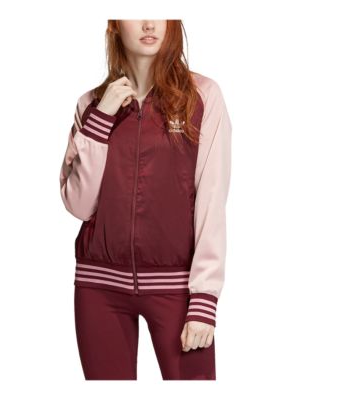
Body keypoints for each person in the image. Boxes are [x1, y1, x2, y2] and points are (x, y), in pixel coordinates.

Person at [59, 19, 232, 380]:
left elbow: (211, 201)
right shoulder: (91, 104)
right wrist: (101, 118)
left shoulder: (202, 97)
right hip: (99, 287)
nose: (150, 23)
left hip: (177, 288)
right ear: (113, 25)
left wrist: (204, 298)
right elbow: (79, 204)